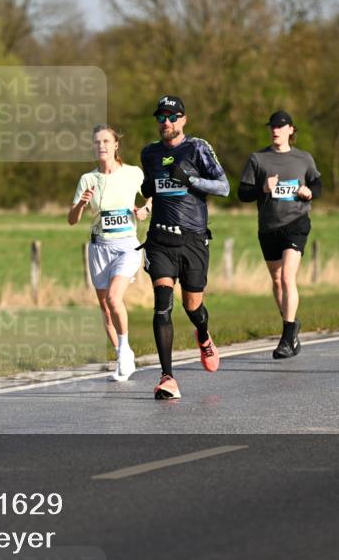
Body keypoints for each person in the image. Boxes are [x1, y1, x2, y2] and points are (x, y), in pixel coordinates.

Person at [139, 96, 230, 400]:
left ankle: (203, 336)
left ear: (183, 119)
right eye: (161, 117)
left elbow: (224, 187)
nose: (166, 122)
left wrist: (190, 180)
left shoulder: (197, 148)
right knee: (163, 304)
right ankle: (168, 378)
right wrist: (147, 190)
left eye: (172, 117)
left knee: (193, 306)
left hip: (193, 240)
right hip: (160, 239)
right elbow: (150, 187)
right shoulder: (149, 153)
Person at [237, 110, 322, 359]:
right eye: (272, 126)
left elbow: (317, 184)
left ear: (291, 130)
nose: (276, 130)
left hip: (296, 222)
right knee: (276, 280)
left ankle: (286, 337)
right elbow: (242, 193)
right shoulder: (258, 159)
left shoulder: (303, 158)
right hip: (269, 227)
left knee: (287, 277)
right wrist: (263, 188)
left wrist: (309, 192)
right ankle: (291, 324)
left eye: (281, 126)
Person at [68, 124, 149, 382]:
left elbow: (154, 196)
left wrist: (146, 210)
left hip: (126, 246)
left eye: (105, 141)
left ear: (116, 145)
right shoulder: (88, 179)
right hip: (99, 247)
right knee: (105, 308)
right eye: (96, 142)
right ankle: (121, 355)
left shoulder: (133, 173)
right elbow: (72, 220)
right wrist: (81, 204)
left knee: (114, 299)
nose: (101, 146)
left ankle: (125, 351)